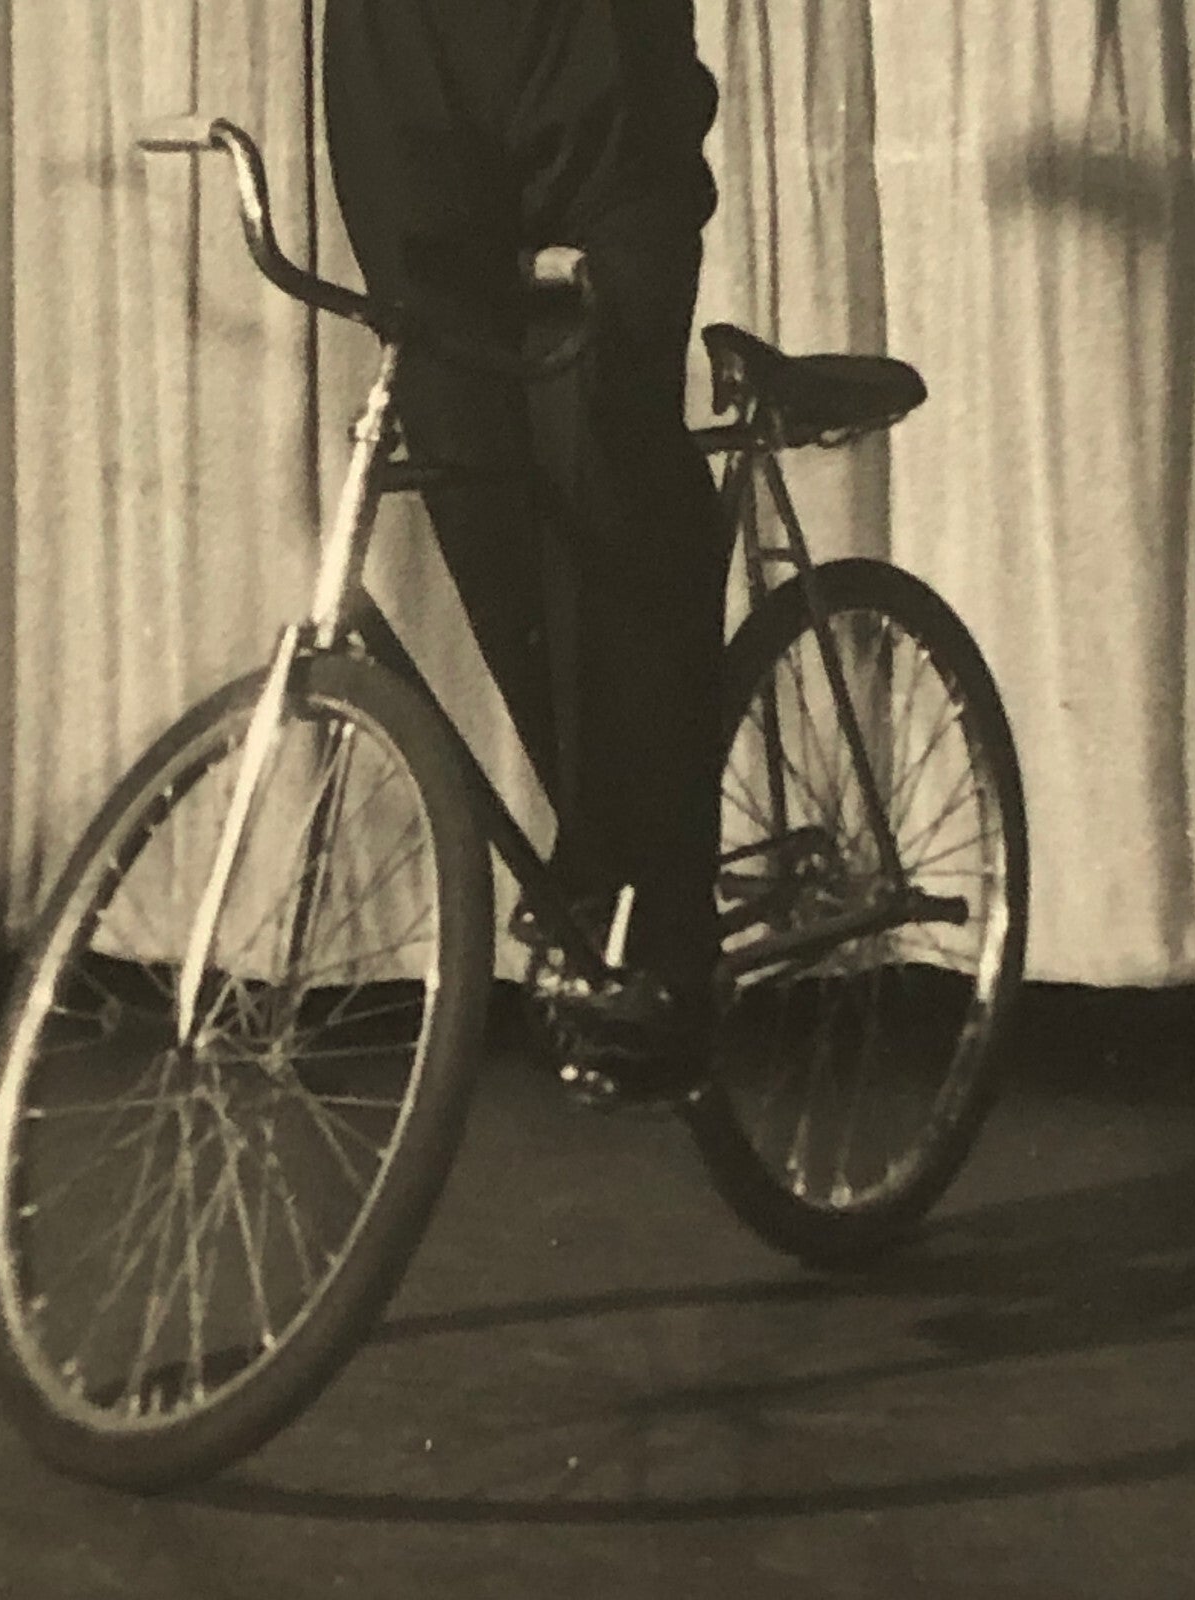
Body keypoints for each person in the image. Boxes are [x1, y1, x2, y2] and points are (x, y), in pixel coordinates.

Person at [323, 0, 731, 1100]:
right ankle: (616, 877)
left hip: (596, 85)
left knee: (606, 466)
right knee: (477, 487)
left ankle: (664, 923)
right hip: (418, 83)